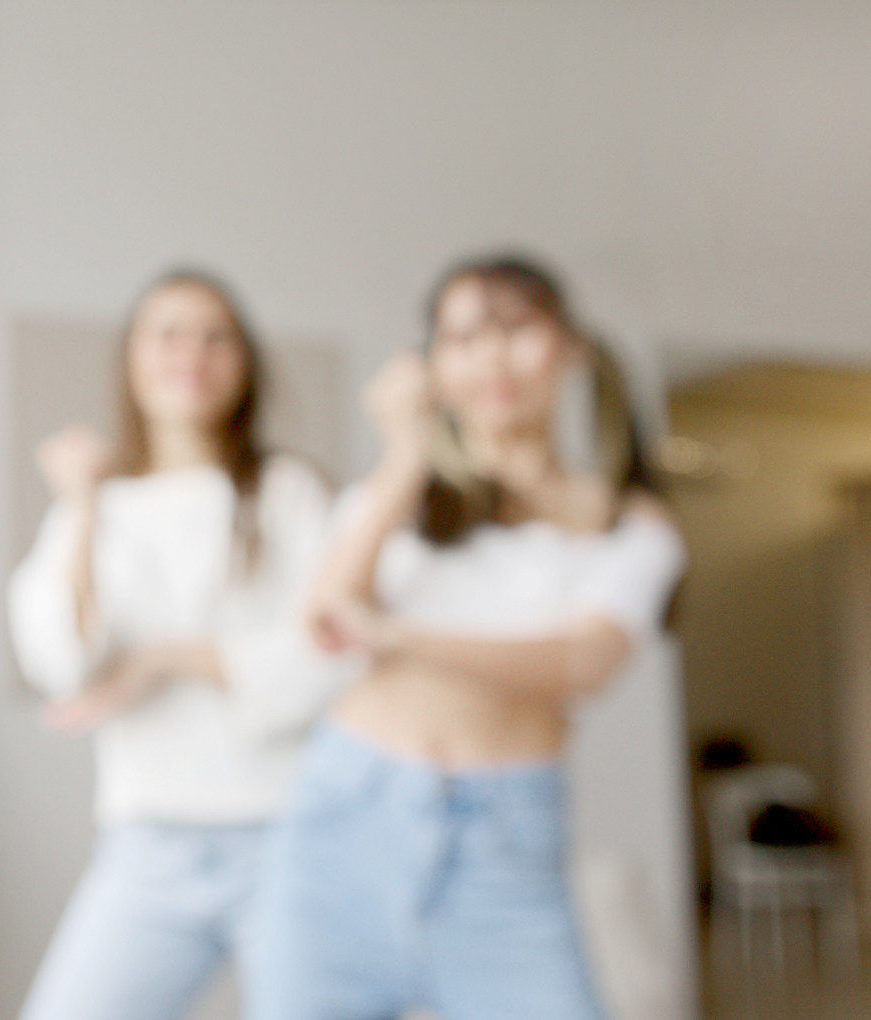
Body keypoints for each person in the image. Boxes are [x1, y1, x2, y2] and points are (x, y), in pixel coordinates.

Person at [245, 256, 686, 1020]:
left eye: (515, 329)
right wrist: (405, 459)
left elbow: (582, 663)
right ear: (432, 368)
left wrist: (398, 637)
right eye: (462, 338)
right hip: (343, 819)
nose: (490, 357)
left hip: (505, 842)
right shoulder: (396, 500)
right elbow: (323, 622)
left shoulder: (626, 524)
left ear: (571, 346)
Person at [8, 272, 346, 1020]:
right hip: (148, 841)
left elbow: (324, 659)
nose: (190, 351)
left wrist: (157, 662)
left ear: (244, 362)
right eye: (168, 332)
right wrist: (82, 502)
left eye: (214, 334)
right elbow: (60, 661)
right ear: (131, 357)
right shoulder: (98, 504)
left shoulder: (287, 492)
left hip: (290, 837)